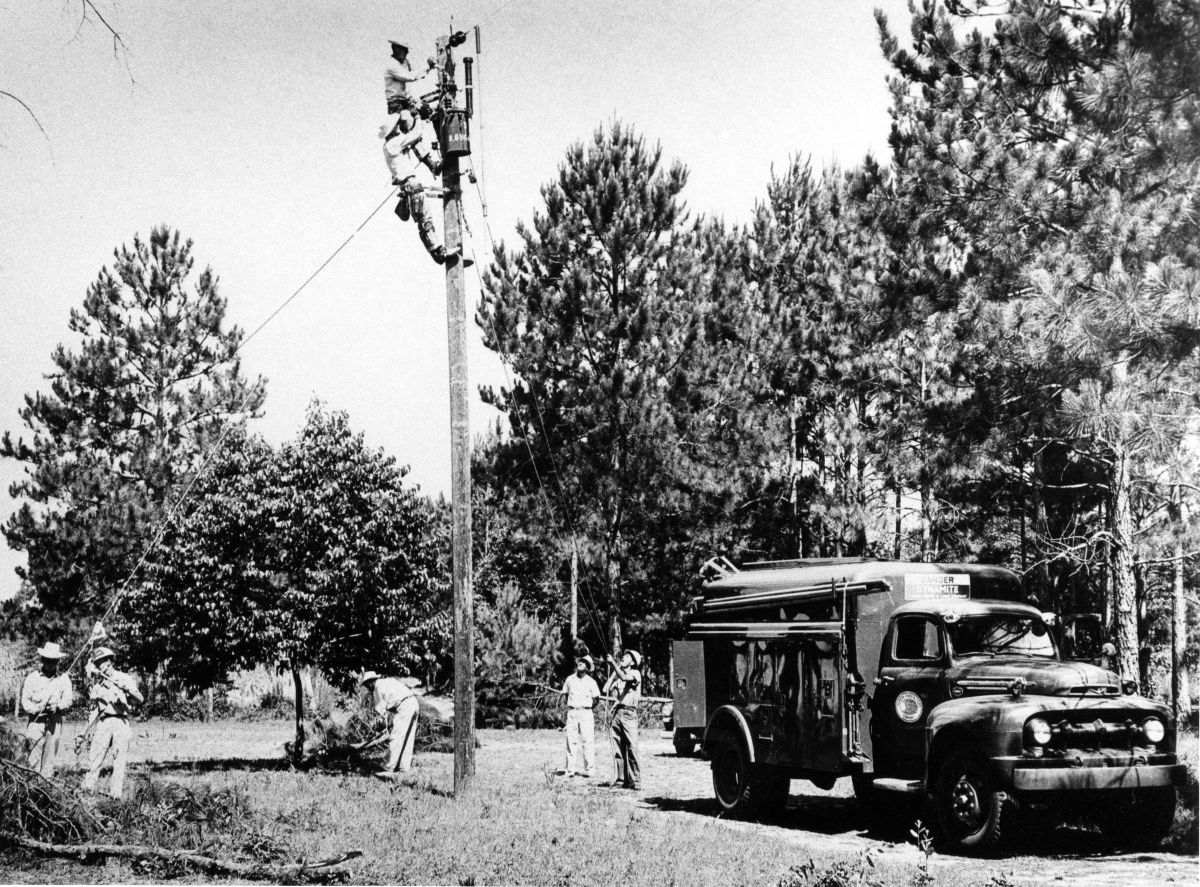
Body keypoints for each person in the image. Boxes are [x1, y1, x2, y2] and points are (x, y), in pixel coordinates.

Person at [79, 646, 143, 798]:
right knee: (95, 757)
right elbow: (94, 711)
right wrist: (84, 731)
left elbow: (139, 699)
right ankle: (87, 791)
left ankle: (115, 795)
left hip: (121, 721)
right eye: (97, 663)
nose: (99, 665)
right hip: (104, 722)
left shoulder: (124, 678)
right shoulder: (97, 686)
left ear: (109, 662)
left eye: (101, 662)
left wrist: (126, 691)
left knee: (119, 760)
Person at [21, 641, 74, 777]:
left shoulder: (64, 679)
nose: (50, 664)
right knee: (33, 755)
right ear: (42, 660)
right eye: (48, 660)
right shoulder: (32, 678)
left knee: (49, 758)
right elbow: (25, 701)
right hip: (35, 722)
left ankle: (45, 787)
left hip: (54, 722)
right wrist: (36, 709)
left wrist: (58, 707)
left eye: (54, 661)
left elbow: (68, 701)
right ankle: (31, 785)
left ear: (58, 661)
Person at [360, 670, 420, 777]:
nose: (367, 687)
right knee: (407, 737)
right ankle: (403, 767)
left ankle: (388, 767)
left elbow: (380, 712)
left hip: (404, 707)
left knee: (396, 737)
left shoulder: (377, 688)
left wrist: (380, 727)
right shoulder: (388, 681)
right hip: (414, 703)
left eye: (366, 685)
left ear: (370, 682)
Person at [603, 650, 642, 790]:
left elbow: (626, 679)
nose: (623, 658)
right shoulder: (619, 677)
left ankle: (635, 780)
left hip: (629, 713)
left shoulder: (635, 673)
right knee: (618, 748)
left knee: (632, 746)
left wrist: (613, 664)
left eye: (627, 657)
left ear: (633, 662)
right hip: (617, 713)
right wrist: (614, 669)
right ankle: (621, 779)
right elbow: (605, 688)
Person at [559, 655, 601, 778]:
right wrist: (573, 706)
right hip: (572, 712)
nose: (581, 663)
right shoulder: (570, 679)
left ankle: (589, 769)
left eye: (584, 663)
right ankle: (570, 770)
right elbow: (565, 695)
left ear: (587, 668)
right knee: (571, 740)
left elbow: (596, 699)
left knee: (587, 740)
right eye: (580, 661)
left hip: (586, 712)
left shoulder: (591, 682)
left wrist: (587, 708)